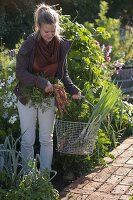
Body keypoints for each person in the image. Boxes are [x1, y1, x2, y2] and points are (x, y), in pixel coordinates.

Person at [14, 3, 81, 172]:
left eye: (53, 30)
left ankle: (44, 178)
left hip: (48, 98)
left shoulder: (60, 45)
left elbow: (63, 74)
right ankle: (28, 178)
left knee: (46, 139)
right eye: (46, 31)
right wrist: (41, 82)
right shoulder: (30, 43)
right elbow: (20, 72)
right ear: (38, 27)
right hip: (27, 96)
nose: (50, 34)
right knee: (28, 140)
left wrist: (73, 90)